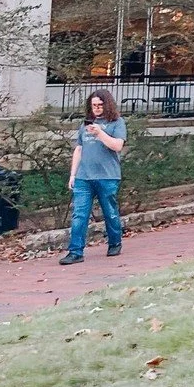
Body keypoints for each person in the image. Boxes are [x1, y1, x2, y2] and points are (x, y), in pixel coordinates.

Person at [59, 88, 126, 265]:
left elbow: (117, 146)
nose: (96, 108)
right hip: (84, 177)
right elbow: (79, 149)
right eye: (93, 105)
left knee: (110, 212)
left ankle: (115, 241)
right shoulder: (85, 124)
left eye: (100, 105)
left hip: (107, 176)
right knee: (79, 214)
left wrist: (100, 133)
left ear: (107, 104)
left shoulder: (116, 123)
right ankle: (75, 251)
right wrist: (73, 174)